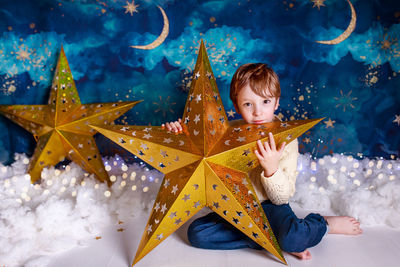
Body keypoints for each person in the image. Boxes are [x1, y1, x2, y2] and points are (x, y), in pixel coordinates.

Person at [163, 63, 362, 260]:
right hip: (237, 206)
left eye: (265, 102)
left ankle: (324, 224)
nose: (257, 112)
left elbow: (282, 198)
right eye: (248, 104)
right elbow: (199, 147)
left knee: (294, 238)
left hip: (271, 207)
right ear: (237, 106)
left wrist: (271, 169)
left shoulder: (286, 139)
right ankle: (271, 239)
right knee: (197, 233)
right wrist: (180, 135)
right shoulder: (228, 132)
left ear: (276, 102)